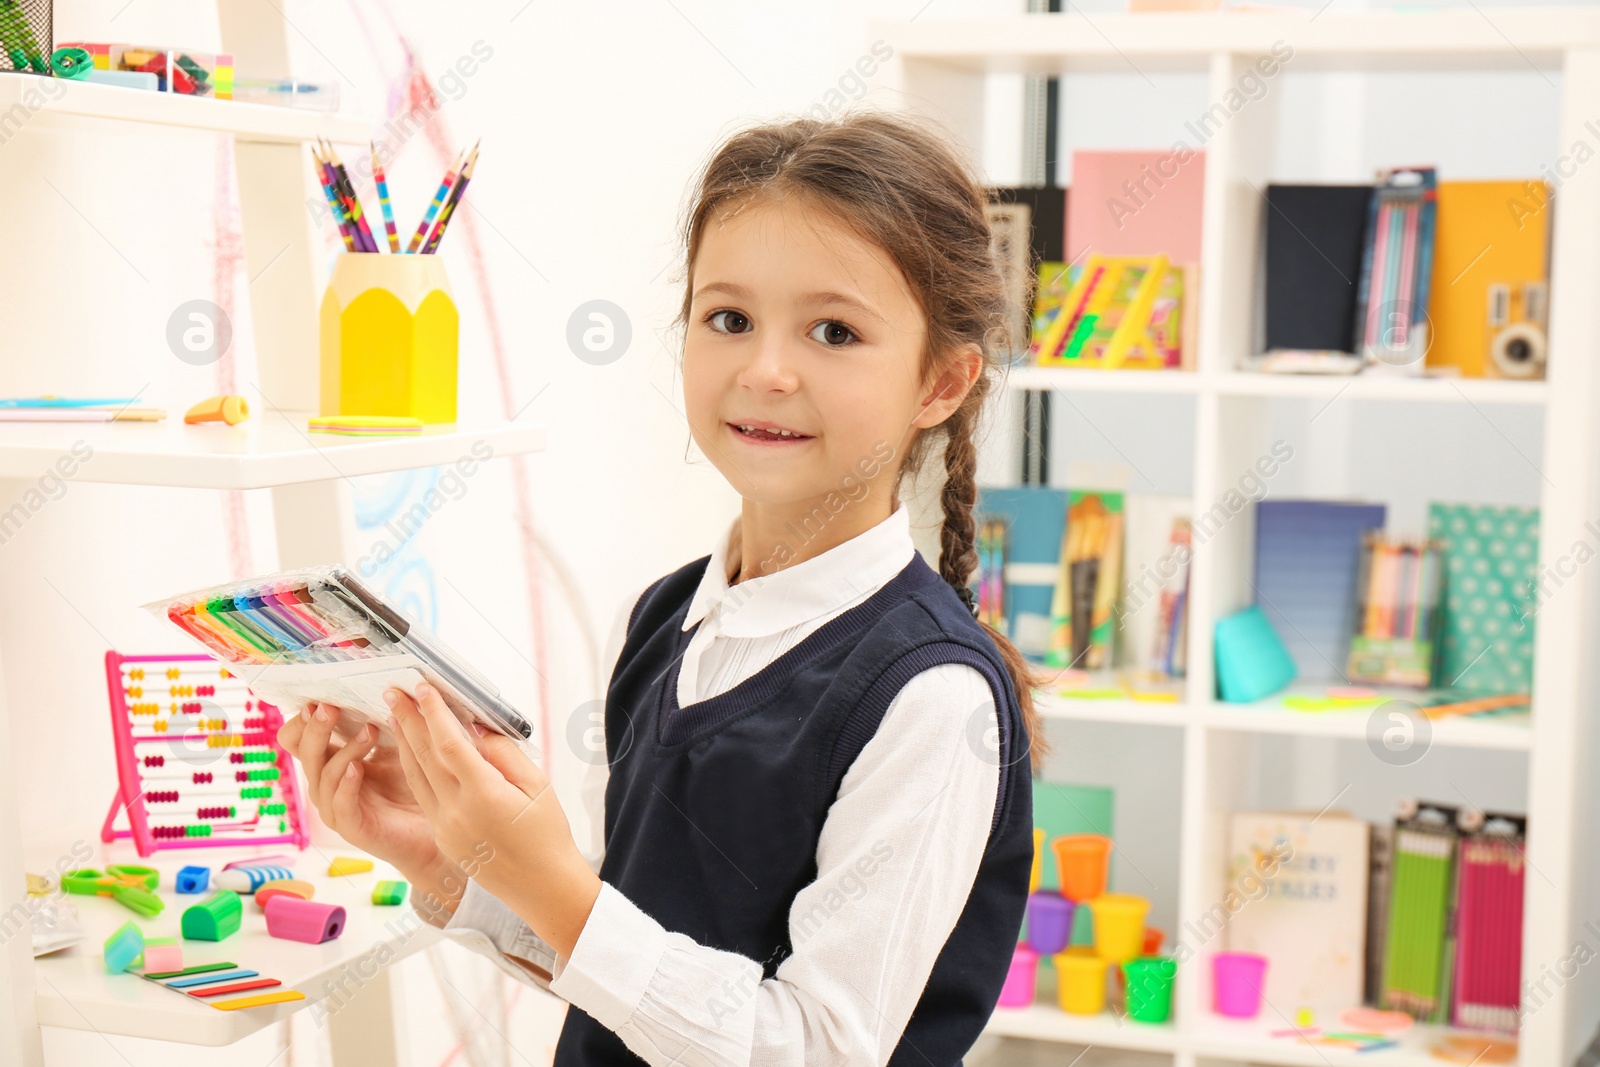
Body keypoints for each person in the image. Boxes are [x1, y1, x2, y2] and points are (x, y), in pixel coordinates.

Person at [279, 110, 1048, 1066]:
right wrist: (456, 861)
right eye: (729, 319)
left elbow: (814, 1049)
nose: (766, 370)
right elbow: (647, 979)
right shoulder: (667, 616)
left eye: (834, 331)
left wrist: (554, 883)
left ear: (942, 383)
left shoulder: (931, 697)